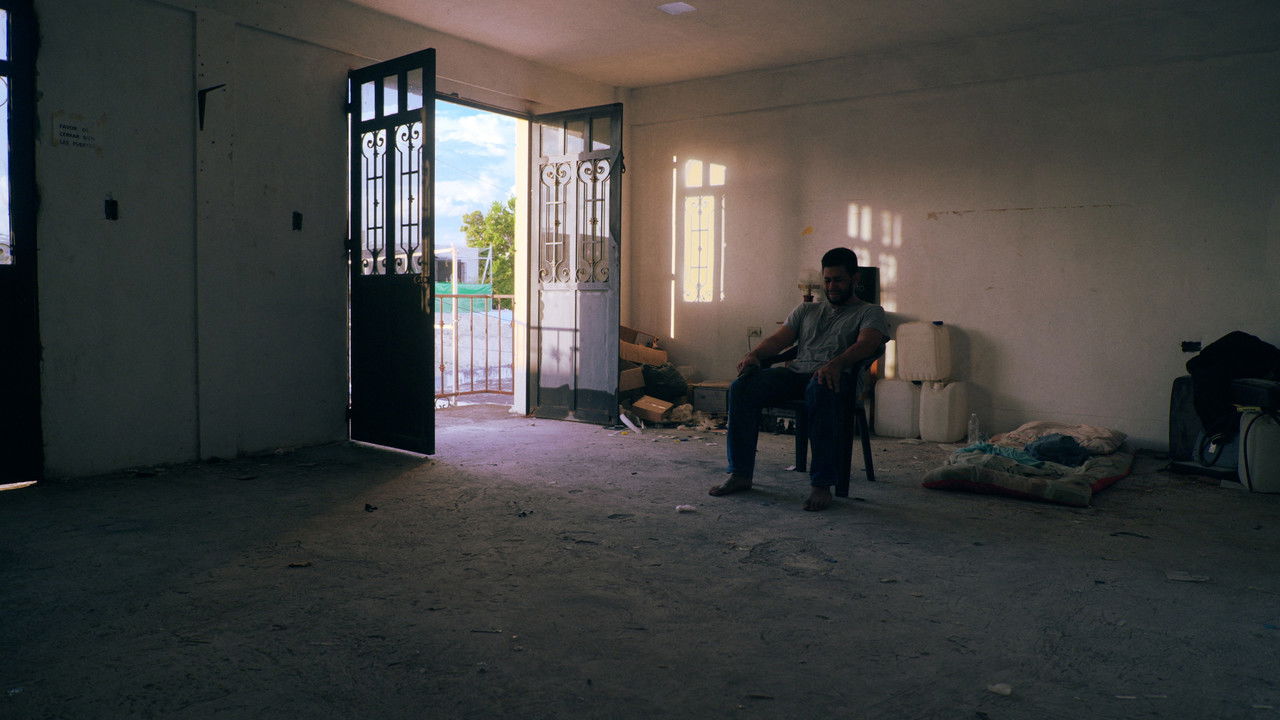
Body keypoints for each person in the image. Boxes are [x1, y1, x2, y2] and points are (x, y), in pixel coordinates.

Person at [708, 247, 889, 511]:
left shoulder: (870, 311)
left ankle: (821, 484)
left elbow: (867, 344)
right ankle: (740, 474)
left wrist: (835, 364)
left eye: (839, 280)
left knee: (820, 387)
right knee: (742, 387)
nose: (832, 286)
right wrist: (754, 355)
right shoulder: (806, 310)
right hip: (796, 374)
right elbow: (778, 340)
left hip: (837, 380)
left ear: (855, 279)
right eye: (827, 280)